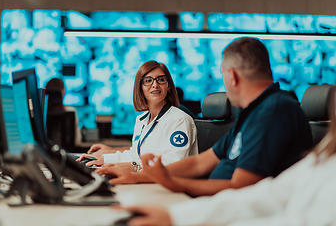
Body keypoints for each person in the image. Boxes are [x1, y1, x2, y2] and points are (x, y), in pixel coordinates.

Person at [97, 37, 313, 197]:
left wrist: (174, 185)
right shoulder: (253, 113)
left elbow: (241, 188)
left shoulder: (274, 112)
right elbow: (200, 163)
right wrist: (140, 177)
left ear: (233, 76)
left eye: (222, 74)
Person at [117, 87, 336, 226]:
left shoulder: (274, 114)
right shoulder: (321, 159)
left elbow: (297, 220)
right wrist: (176, 217)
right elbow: (268, 195)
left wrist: (173, 191)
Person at [78, 60, 198, 172]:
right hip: (148, 181)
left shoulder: (179, 120)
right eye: (148, 81)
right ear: (140, 88)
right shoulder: (142, 120)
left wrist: (134, 166)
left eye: (160, 80)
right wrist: (103, 159)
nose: (155, 85)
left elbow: (175, 163)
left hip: (171, 187)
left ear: (169, 86)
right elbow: (135, 155)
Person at [45, 78, 82, 146]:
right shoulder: (71, 111)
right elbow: (77, 141)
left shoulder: (40, 113)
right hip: (66, 154)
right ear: (63, 92)